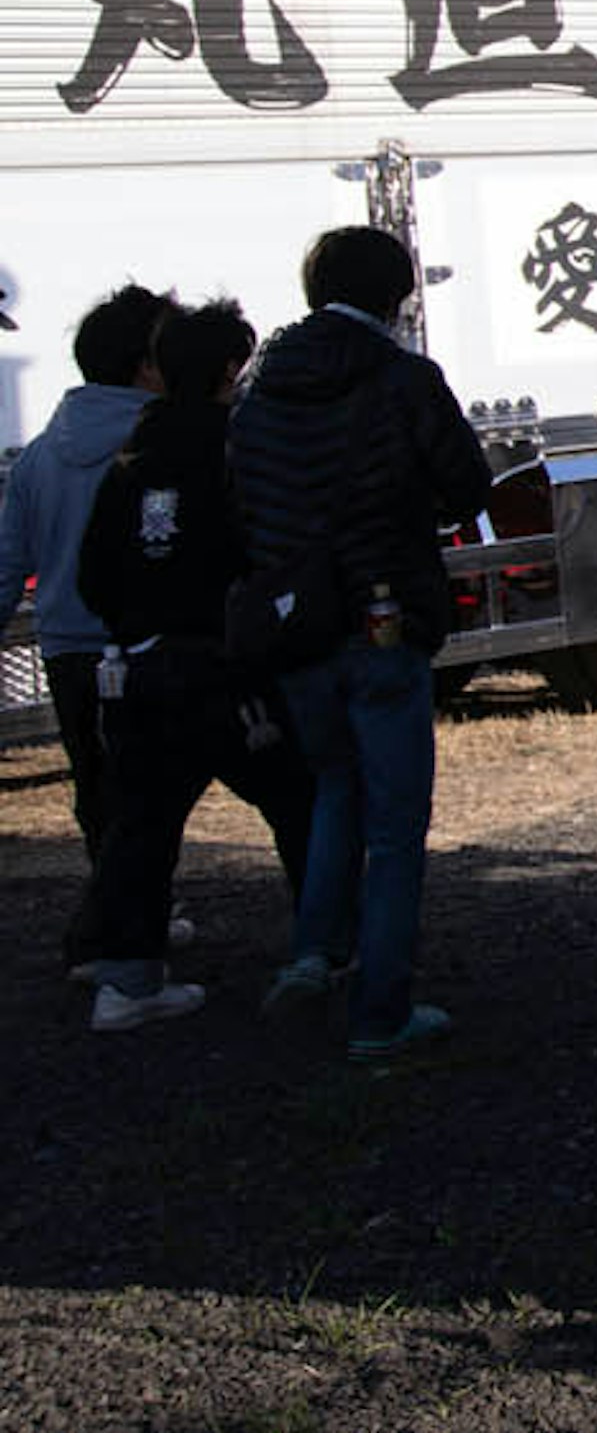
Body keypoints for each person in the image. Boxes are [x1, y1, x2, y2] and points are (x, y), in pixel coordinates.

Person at [231, 228, 489, 1059]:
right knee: (394, 826)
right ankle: (381, 1012)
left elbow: (245, 502)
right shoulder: (404, 379)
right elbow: (465, 486)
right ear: (398, 296)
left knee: (333, 792)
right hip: (384, 618)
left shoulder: (262, 387)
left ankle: (313, 956)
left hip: (298, 625)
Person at [76, 300, 317, 1031]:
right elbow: (275, 553)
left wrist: (135, 625)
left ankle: (126, 980)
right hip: (232, 674)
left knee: (141, 826)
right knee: (299, 805)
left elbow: (94, 575)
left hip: (145, 671)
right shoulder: (242, 450)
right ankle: (327, 946)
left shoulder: (131, 458)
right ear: (225, 371)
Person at [0, 282, 175, 979]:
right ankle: (109, 942)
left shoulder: (41, 453)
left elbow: (9, 562)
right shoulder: (158, 444)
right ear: (146, 365)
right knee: (148, 801)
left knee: (99, 793)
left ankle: (133, 920)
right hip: (142, 645)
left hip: (66, 648)